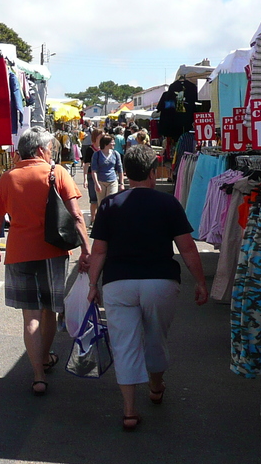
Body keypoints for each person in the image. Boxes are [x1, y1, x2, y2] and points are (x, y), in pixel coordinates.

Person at [87, 145, 208, 432]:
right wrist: (201, 282)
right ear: (154, 172)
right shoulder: (168, 203)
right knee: (156, 336)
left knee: (124, 344)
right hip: (160, 282)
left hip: (119, 283)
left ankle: (129, 410)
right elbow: (187, 248)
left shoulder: (109, 205)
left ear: (125, 174)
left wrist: (93, 284)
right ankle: (155, 387)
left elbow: (99, 251)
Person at [0, 127, 92, 396]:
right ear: (39, 150)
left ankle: (37, 375)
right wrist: (86, 248)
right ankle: (44, 359)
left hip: (19, 253)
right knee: (49, 310)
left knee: (30, 317)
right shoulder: (56, 173)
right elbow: (76, 215)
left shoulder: (8, 178)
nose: (52, 152)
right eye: (49, 148)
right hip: (53, 252)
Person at [88, 136, 122, 210]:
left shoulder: (116, 154)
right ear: (106, 143)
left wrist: (121, 183)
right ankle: (102, 220)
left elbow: (120, 169)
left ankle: (110, 220)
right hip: (101, 182)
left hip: (112, 181)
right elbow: (94, 170)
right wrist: (96, 184)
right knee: (101, 204)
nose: (114, 143)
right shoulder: (97, 155)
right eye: (112, 142)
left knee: (111, 202)